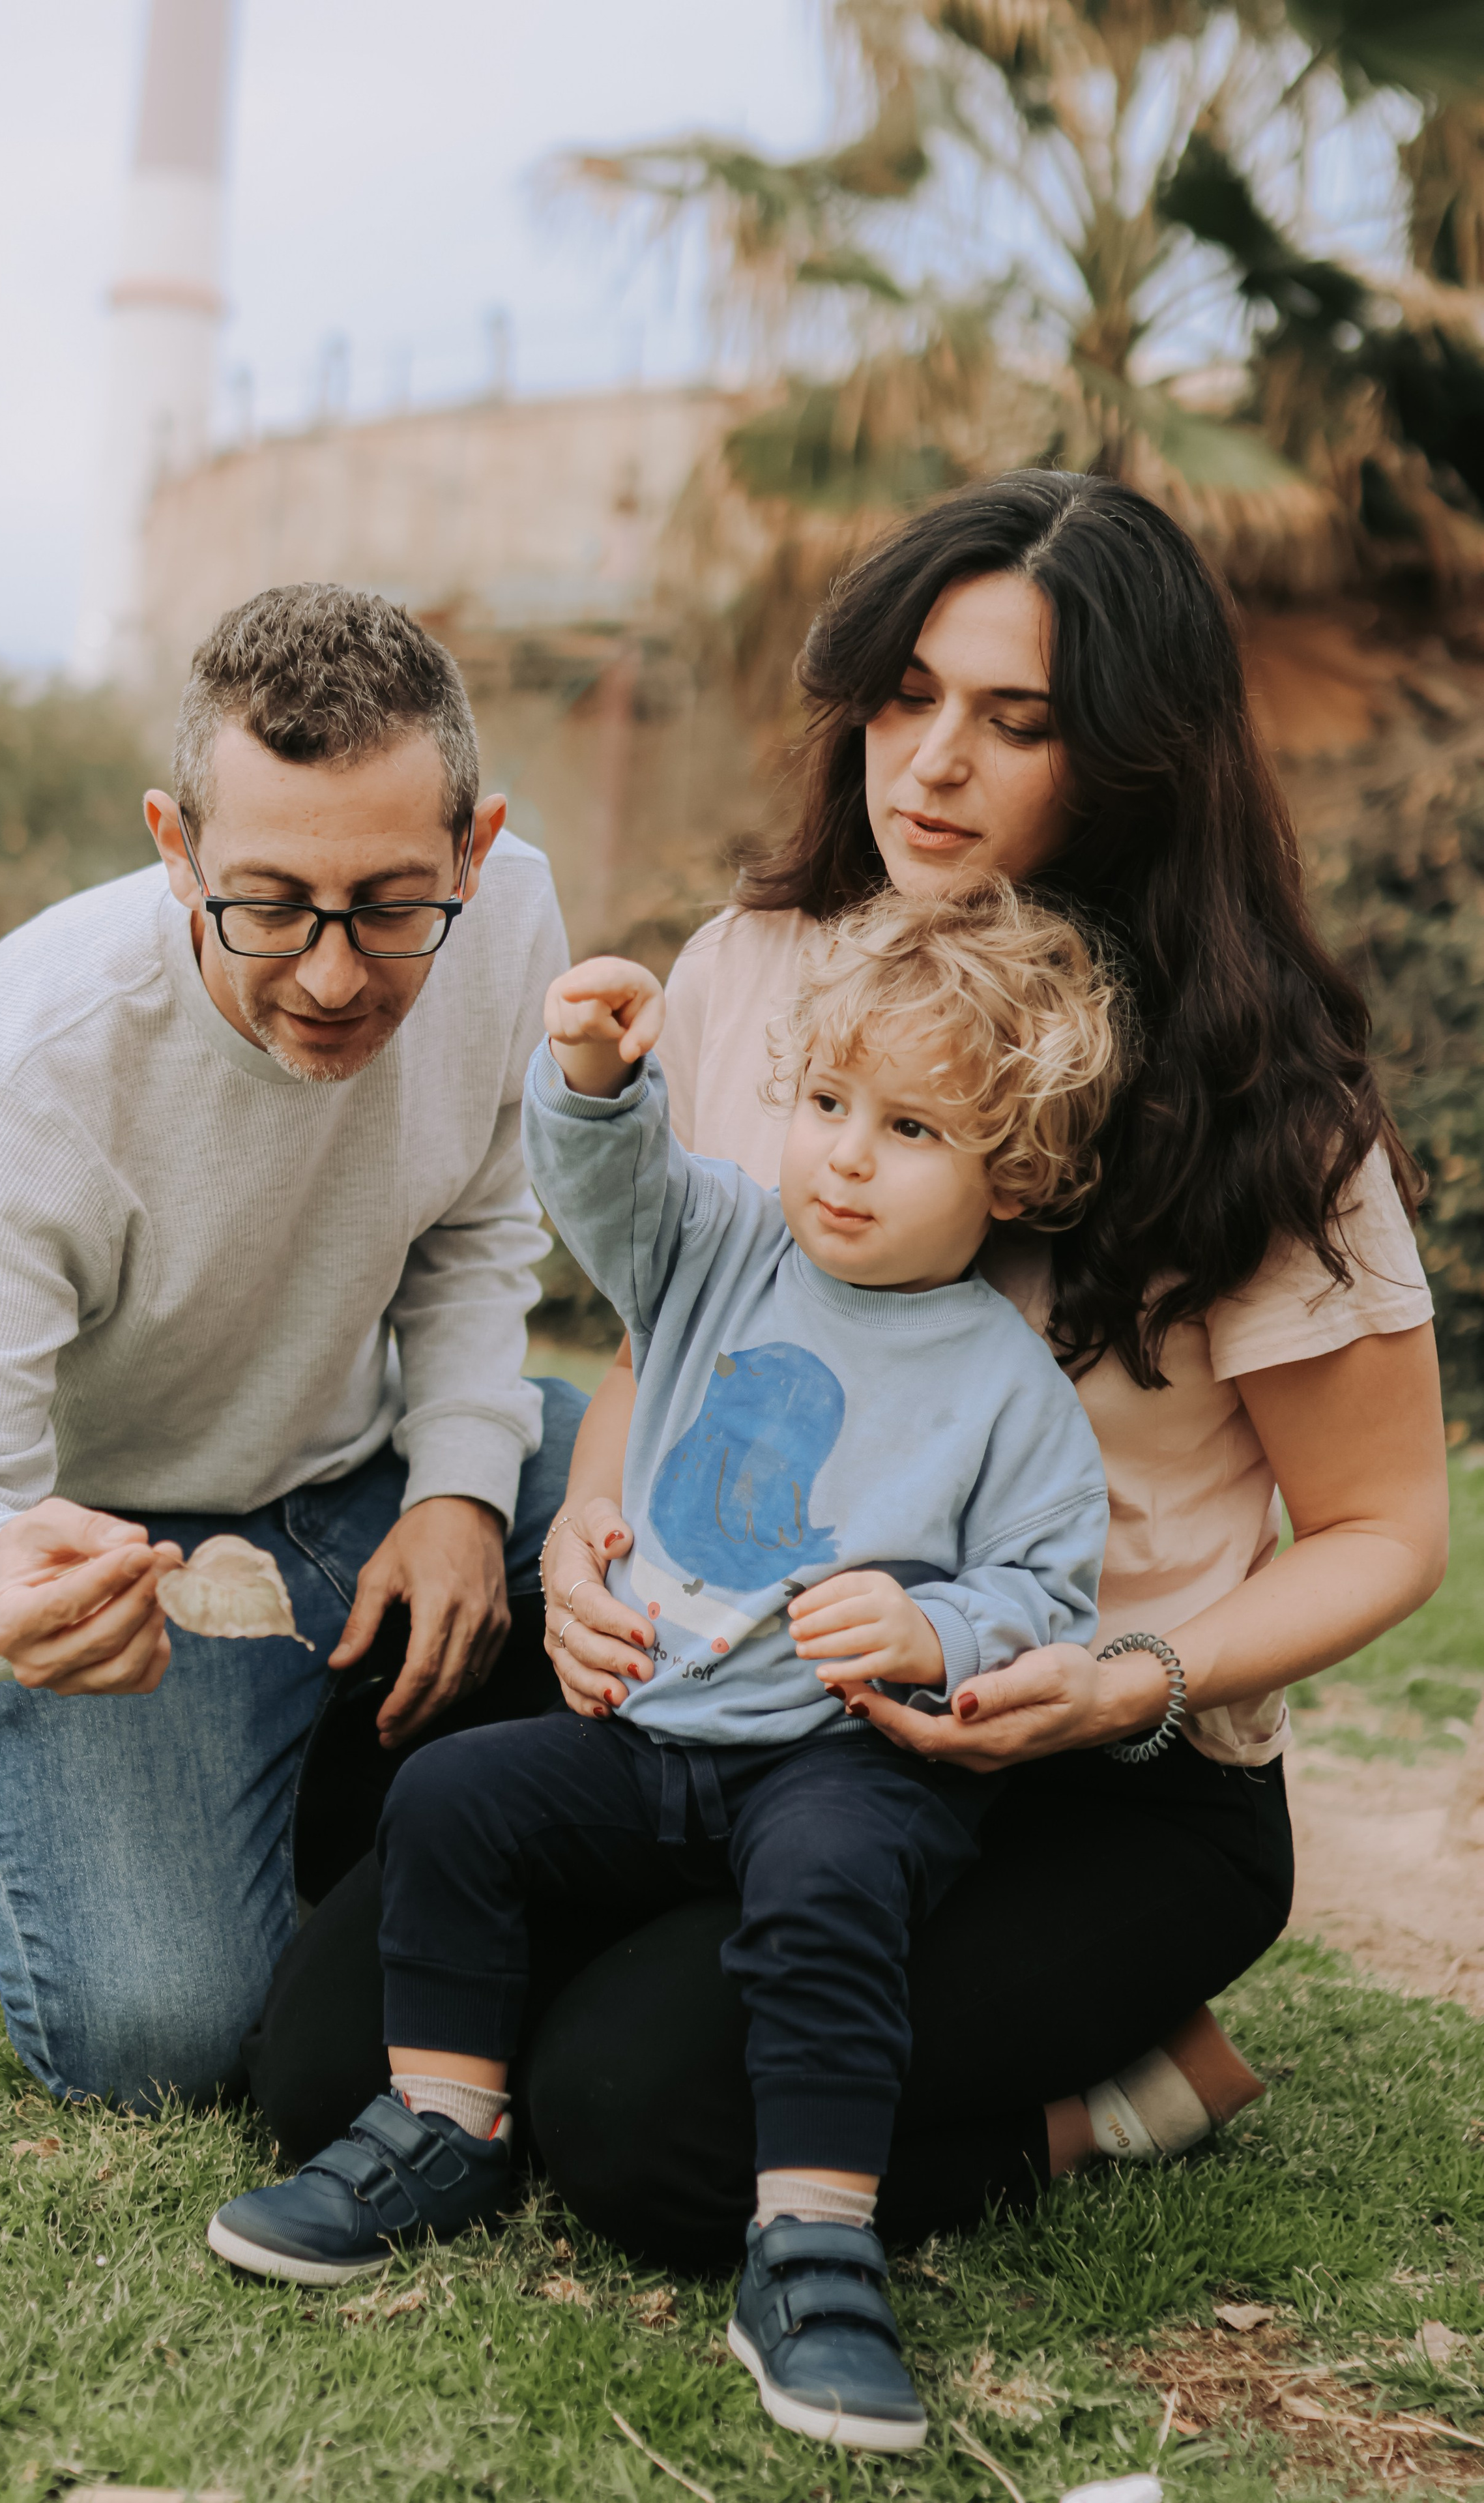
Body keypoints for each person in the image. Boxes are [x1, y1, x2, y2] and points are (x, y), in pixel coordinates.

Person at [240, 473, 1449, 2270]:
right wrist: (587, 1534)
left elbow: (1385, 1526)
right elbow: (691, 1328)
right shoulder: (764, 967)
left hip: (1081, 1769)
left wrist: (1137, 1677)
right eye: (905, 696)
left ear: (1133, 754)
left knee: (639, 2125)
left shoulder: (1268, 1109)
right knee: (326, 2062)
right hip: (737, 1699)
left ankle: (1125, 2090)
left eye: (1012, 721)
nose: (932, 762)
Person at [207, 888, 1118, 2450]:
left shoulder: (1004, 1384)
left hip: (845, 1757)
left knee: (831, 1879)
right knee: (454, 1797)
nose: (841, 1153)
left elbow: (1048, 1588)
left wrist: (933, 1632)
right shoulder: (721, 1244)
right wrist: (593, 1077)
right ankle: (443, 2121)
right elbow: (605, 1187)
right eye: (827, 1103)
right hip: (653, 1727)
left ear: (1011, 1173)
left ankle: (813, 2239)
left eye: (907, 1130)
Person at [0, 583, 585, 2109]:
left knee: (676, 1511)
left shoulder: (509, 924)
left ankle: (298, 1769)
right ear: (174, 846)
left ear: (474, 846)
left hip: (368, 1478)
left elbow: (476, 1227)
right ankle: (20, 1822)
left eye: (390, 905)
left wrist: (456, 1486)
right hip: (127, 1562)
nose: (327, 975)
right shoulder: (31, 1058)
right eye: (268, 903)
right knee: (161, 2043)